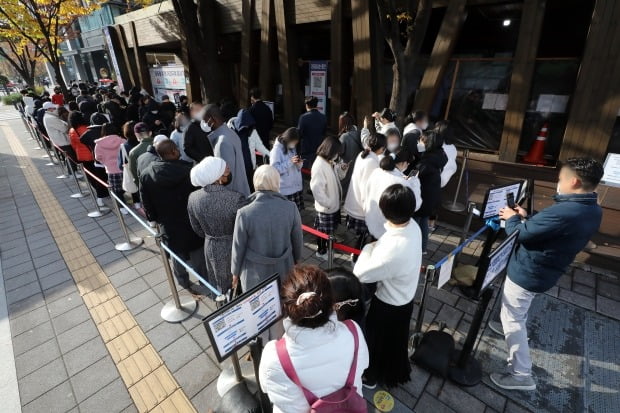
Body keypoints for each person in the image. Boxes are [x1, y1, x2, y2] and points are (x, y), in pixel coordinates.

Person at [490, 158, 604, 391]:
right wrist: (528, 217)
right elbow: (549, 230)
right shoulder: (592, 208)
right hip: (546, 270)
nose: (558, 183)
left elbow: (519, 235)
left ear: (574, 181)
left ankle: (521, 374)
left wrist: (512, 219)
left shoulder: (567, 211)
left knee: (513, 319)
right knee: (515, 311)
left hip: (529, 271)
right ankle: (505, 326)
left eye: (560, 179)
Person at [259, 265, 369, 413]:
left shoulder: (274, 356)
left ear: (287, 308)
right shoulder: (354, 332)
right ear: (332, 304)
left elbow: (266, 388)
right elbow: (363, 365)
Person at [354, 184, 422, 388]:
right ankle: (393, 372)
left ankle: (371, 376)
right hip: (406, 297)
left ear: (385, 212)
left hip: (387, 303)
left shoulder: (392, 249)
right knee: (395, 341)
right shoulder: (413, 227)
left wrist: (368, 247)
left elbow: (360, 273)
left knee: (376, 341)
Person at [139, 140, 203, 294]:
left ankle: (183, 282)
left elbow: (146, 202)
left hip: (167, 223)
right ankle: (206, 282)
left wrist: (153, 219)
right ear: (174, 151)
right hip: (191, 222)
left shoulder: (147, 174)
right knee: (198, 256)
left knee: (176, 255)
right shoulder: (189, 170)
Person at [231, 165, 303, 295]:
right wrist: (297, 260)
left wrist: (235, 273)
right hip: (285, 268)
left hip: (254, 273)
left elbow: (238, 247)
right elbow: (297, 239)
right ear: (276, 181)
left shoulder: (244, 213)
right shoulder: (290, 207)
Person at [188, 156, 245, 294]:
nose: (228, 171)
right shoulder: (235, 198)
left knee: (219, 285)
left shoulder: (193, 198)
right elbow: (245, 228)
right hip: (235, 246)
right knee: (239, 284)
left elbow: (197, 228)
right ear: (217, 176)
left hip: (211, 245)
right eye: (226, 169)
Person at [364, 148, 421, 239]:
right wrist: (414, 182)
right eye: (408, 163)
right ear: (403, 163)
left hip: (371, 218)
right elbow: (415, 205)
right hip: (387, 227)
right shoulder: (401, 183)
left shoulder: (377, 171)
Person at [344, 133, 386, 250]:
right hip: (362, 205)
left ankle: (355, 255)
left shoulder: (363, 154)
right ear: (381, 148)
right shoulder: (372, 162)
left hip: (355, 199)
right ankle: (355, 257)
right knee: (363, 235)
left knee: (361, 235)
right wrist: (368, 208)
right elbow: (366, 188)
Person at [310, 136, 348, 259]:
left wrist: (342, 169)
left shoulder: (329, 162)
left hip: (332, 204)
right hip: (326, 207)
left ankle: (326, 248)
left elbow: (339, 178)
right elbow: (317, 190)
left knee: (327, 230)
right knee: (322, 232)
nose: (337, 155)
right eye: (336, 153)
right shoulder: (319, 165)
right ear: (331, 151)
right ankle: (321, 251)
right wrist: (329, 203)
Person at [203, 104, 251, 196]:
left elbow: (226, 178)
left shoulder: (222, 142)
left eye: (205, 120)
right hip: (240, 191)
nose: (204, 123)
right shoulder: (230, 133)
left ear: (213, 119)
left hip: (233, 197)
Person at [412, 131, 447, 254]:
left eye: (423, 141)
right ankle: (422, 249)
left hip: (422, 196)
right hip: (432, 195)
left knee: (414, 223)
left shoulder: (427, 160)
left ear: (429, 143)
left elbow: (415, 175)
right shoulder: (440, 155)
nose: (420, 142)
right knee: (424, 223)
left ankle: (413, 249)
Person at [69, 111, 108, 201]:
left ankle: (99, 191)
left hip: (81, 156)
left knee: (90, 175)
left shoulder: (71, 131)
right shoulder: (87, 129)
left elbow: (73, 145)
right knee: (99, 175)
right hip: (92, 155)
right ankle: (104, 191)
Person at [270, 127, 304, 210]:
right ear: (288, 139)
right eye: (294, 142)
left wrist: (299, 163)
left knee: (296, 213)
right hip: (285, 189)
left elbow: (297, 168)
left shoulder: (292, 147)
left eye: (296, 143)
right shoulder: (276, 150)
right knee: (287, 213)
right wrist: (290, 162)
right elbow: (274, 170)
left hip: (295, 187)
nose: (294, 144)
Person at [94, 123, 126, 211]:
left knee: (117, 190)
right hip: (124, 168)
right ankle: (137, 203)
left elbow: (98, 157)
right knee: (128, 187)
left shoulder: (99, 144)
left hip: (111, 170)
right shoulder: (122, 141)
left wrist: (106, 163)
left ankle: (122, 208)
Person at [42, 102, 77, 176]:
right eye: (54, 108)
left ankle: (72, 171)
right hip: (62, 140)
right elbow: (64, 129)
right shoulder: (50, 118)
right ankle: (72, 173)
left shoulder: (49, 116)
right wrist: (67, 124)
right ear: (49, 109)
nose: (56, 109)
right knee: (70, 156)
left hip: (60, 140)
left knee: (68, 156)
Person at [298, 96, 327, 168]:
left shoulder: (303, 117)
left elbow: (299, 134)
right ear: (316, 105)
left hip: (306, 151)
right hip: (319, 150)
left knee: (305, 173)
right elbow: (324, 133)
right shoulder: (323, 117)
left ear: (307, 105)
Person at [118, 121, 142, 210]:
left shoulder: (124, 146)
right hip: (144, 171)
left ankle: (137, 204)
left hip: (133, 174)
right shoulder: (142, 143)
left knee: (134, 188)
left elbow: (120, 165)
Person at [338, 112, 362, 194]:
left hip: (346, 168)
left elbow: (339, 152)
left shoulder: (344, 137)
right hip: (357, 167)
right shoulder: (360, 133)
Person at [127, 122, 154, 188]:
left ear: (136, 134)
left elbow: (134, 173)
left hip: (146, 186)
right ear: (150, 133)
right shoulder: (162, 144)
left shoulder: (133, 152)